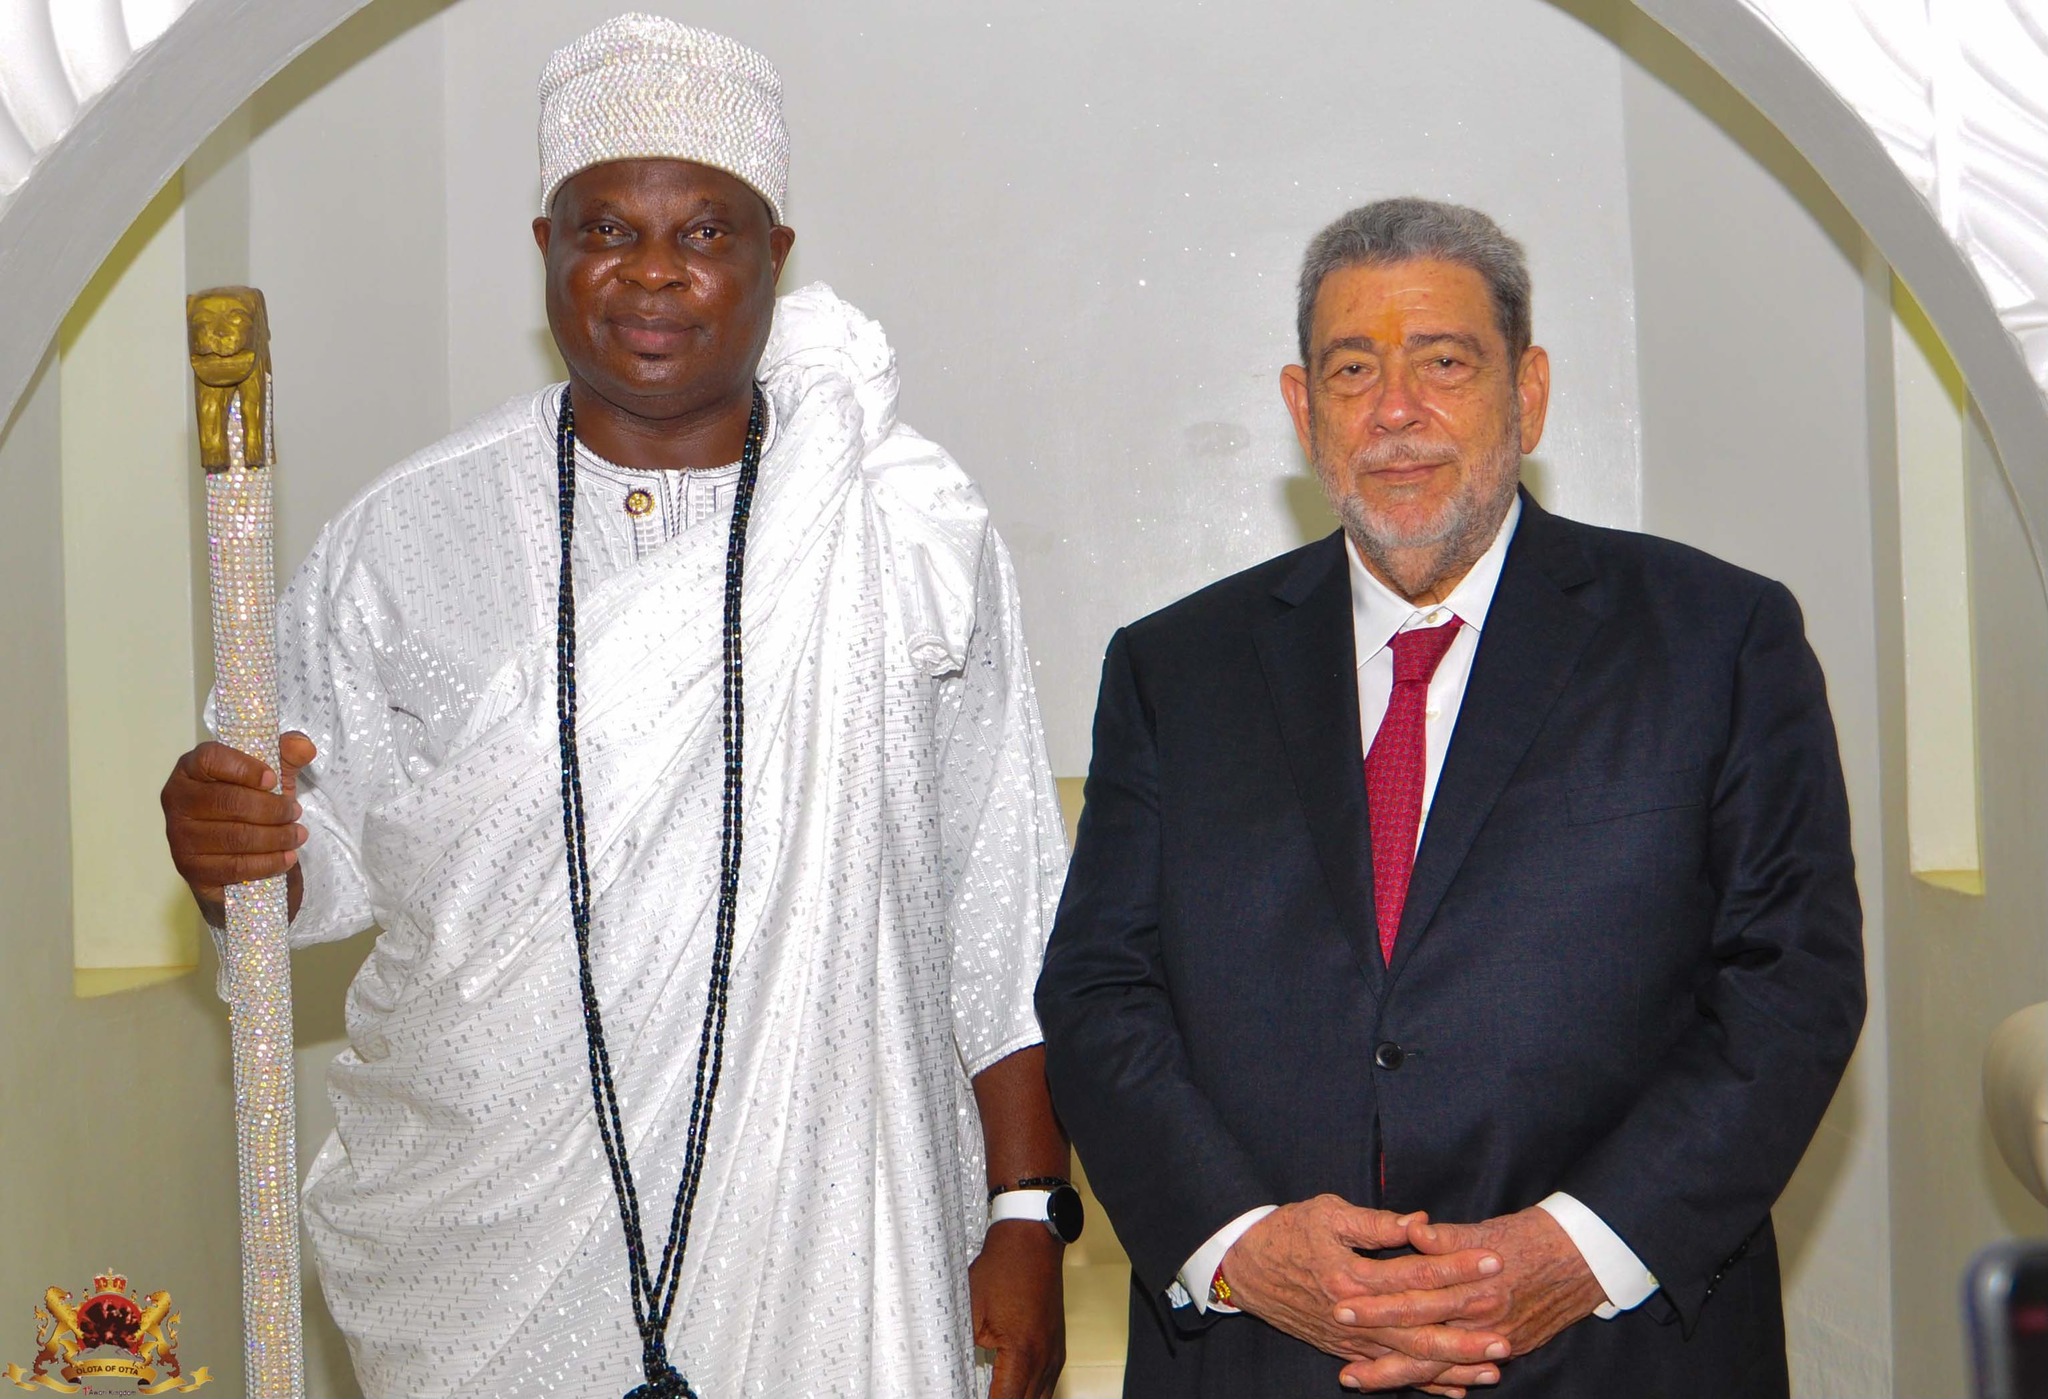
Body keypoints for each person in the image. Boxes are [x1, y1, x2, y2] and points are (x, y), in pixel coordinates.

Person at [160, 16, 1074, 1397]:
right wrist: (232, 847)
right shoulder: (403, 540)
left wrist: (1025, 1210)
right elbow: (306, 861)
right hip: (493, 1251)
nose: (653, 272)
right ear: (545, 250)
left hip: (835, 1220)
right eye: (605, 229)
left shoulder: (900, 527)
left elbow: (995, 889)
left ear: (774, 255)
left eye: (704, 232)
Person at [1036, 197, 1865, 1396]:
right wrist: (1242, 1246)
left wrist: (1573, 1253)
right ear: (1301, 408)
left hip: (1613, 1350)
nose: (1394, 411)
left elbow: (1789, 983)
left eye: (1442, 362)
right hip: (1262, 1350)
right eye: (1352, 369)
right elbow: (1099, 990)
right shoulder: (1173, 669)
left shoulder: (1715, 638)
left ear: (1527, 392)